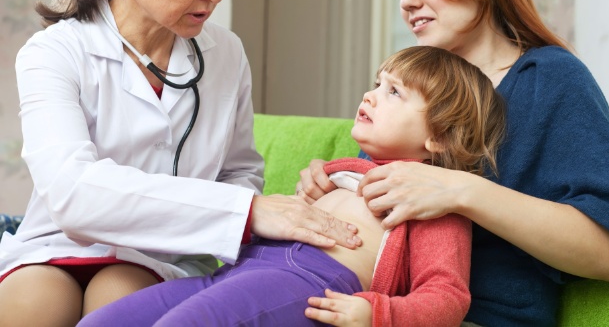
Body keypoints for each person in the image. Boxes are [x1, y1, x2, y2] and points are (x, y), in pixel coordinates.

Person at [0, 0, 360, 326]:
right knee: (33, 302)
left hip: (165, 255)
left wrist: (236, 210)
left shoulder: (225, 53)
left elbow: (240, 171)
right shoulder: (54, 52)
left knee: (118, 293)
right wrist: (248, 212)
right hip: (57, 244)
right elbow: (71, 192)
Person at [298, 0, 609, 327]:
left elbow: (608, 252)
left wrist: (461, 190)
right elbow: (386, 210)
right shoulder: (413, 87)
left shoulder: (552, 79)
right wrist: (332, 190)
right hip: (371, 306)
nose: (407, 1)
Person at [77, 45, 506, 327]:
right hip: (241, 269)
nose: (370, 95)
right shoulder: (339, 173)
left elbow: (447, 296)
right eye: (378, 83)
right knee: (103, 322)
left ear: (441, 137)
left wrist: (378, 314)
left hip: (310, 286)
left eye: (394, 92)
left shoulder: (436, 206)